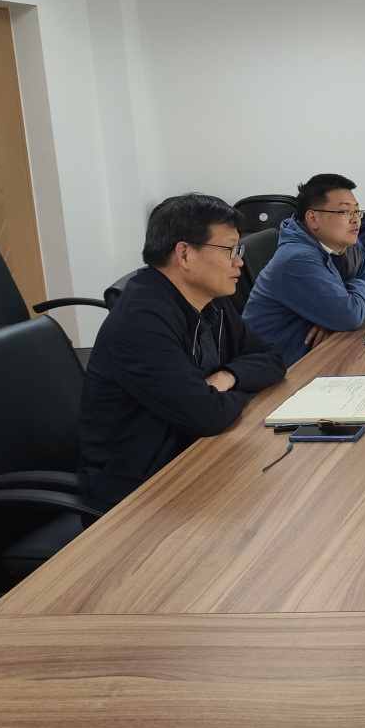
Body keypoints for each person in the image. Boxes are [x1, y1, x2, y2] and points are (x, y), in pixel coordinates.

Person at [78, 193, 286, 508]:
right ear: (185, 254)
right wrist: (237, 391)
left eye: (238, 250)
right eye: (229, 250)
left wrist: (227, 377)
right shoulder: (140, 323)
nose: (239, 262)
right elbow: (207, 415)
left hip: (194, 456)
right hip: (139, 492)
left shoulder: (210, 300)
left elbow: (272, 358)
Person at [243, 173, 365, 366]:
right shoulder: (297, 259)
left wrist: (335, 315)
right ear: (313, 218)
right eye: (345, 212)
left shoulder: (347, 243)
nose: (356, 220)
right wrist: (355, 291)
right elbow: (350, 316)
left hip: (321, 354)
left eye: (357, 211)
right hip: (282, 369)